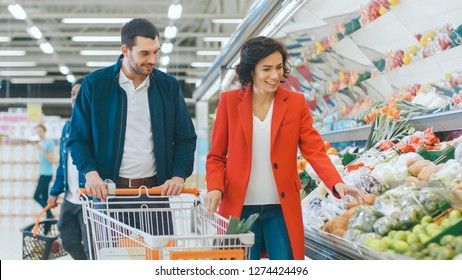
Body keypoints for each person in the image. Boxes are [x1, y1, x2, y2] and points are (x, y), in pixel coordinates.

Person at [204, 36, 364, 260]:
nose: (275, 75)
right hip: (239, 207)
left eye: (279, 67)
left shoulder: (295, 103)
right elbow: (216, 156)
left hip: (280, 207)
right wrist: (215, 187)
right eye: (266, 69)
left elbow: (314, 150)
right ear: (251, 71)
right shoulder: (229, 102)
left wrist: (336, 183)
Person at [67, 18, 196, 233]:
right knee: (112, 262)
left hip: (155, 196)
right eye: (145, 53)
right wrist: (91, 174)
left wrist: (178, 175)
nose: (152, 59)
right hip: (109, 194)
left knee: (156, 263)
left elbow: (185, 138)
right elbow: (78, 138)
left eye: (156, 52)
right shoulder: (95, 84)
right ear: (125, 50)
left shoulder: (168, 86)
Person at [48, 78, 89, 260]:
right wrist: (55, 191)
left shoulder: (96, 128)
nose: (75, 99)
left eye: (79, 95)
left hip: (90, 199)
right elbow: (62, 165)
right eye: (72, 95)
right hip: (70, 197)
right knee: (68, 239)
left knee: (92, 244)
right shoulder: (67, 127)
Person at [34, 124, 55, 219]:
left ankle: (49, 214)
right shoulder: (40, 143)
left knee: (36, 196)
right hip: (42, 173)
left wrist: (42, 150)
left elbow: (52, 159)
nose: (39, 133)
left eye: (41, 131)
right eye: (37, 131)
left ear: (44, 131)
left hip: (47, 174)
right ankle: (49, 218)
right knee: (45, 197)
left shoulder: (49, 143)